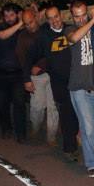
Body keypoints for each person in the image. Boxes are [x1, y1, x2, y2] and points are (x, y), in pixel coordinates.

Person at [23, 6, 81, 157]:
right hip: (59, 82)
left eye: (56, 16)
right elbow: (28, 57)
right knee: (67, 113)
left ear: (61, 16)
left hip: (77, 79)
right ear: (47, 20)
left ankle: (77, 137)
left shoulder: (71, 29)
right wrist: (26, 79)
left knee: (77, 113)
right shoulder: (43, 36)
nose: (54, 21)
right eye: (50, 18)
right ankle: (70, 148)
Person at [66, 0, 94, 176]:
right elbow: (74, 38)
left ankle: (87, 140)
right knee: (88, 127)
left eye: (84, 15)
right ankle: (92, 163)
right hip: (78, 88)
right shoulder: (69, 30)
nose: (81, 20)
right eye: (77, 17)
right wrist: (91, 20)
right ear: (72, 17)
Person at [18, 10, 59, 145]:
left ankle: (51, 136)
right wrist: (26, 79)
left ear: (36, 18)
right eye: (26, 24)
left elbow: (53, 52)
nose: (29, 26)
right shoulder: (23, 37)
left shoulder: (45, 31)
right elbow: (23, 60)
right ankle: (35, 127)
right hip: (36, 77)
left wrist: (41, 65)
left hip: (52, 73)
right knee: (37, 107)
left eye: (31, 22)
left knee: (53, 106)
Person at [0, 3, 27, 142]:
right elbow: (3, 36)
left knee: (19, 104)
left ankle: (21, 134)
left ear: (17, 14)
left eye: (12, 15)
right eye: (6, 15)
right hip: (0, 74)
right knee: (2, 104)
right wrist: (20, 24)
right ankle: (6, 129)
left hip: (17, 74)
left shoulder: (23, 29)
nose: (9, 18)